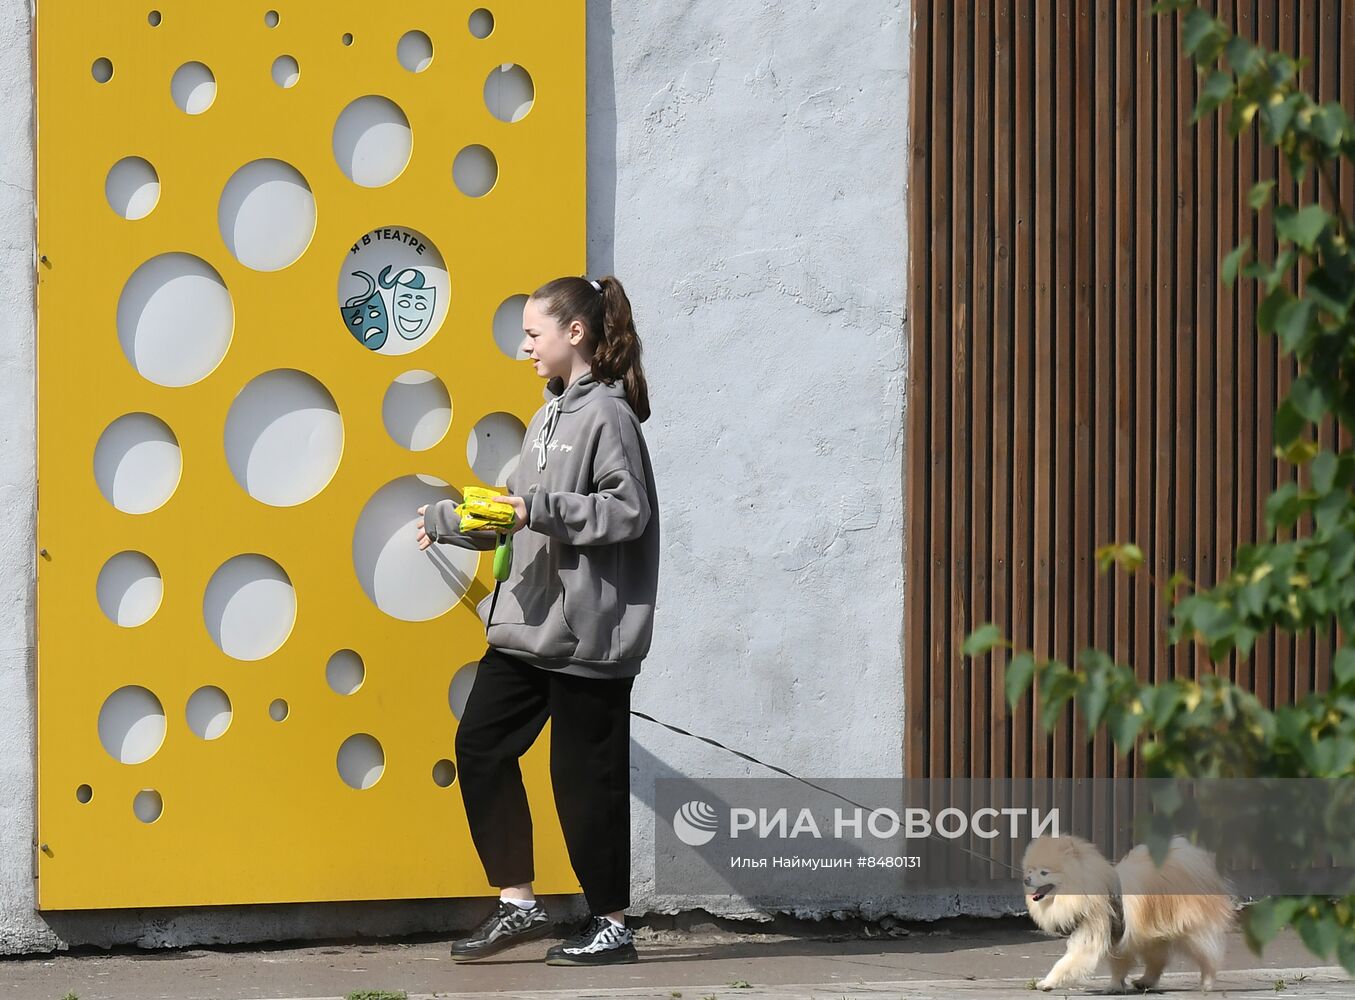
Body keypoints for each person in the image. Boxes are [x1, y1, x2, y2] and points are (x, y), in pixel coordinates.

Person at [414, 274, 659, 966]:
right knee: (481, 747)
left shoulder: (608, 414)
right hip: (527, 628)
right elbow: (514, 509)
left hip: (587, 634)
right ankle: (518, 904)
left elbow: (624, 511)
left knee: (584, 782)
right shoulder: (547, 416)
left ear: (573, 334)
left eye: (532, 333)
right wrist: (449, 521)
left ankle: (610, 923)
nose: (524, 346)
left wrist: (539, 511)